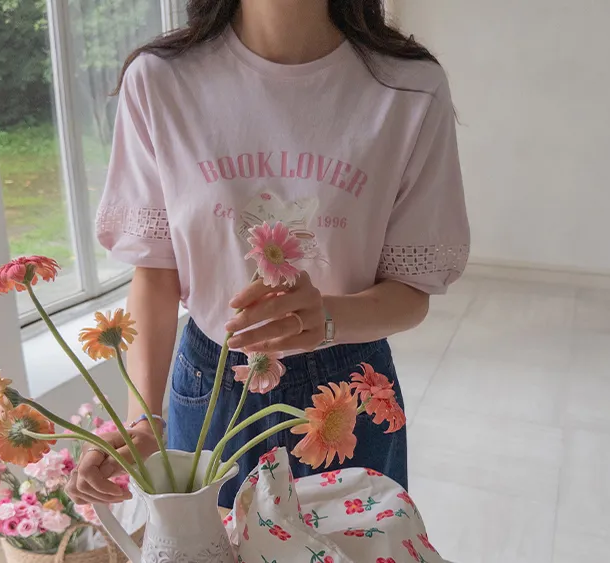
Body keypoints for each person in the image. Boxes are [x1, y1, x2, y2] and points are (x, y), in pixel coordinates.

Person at [66, 0, 469, 508]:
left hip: (349, 385)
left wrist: (327, 317)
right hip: (209, 385)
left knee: (351, 543)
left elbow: (412, 291)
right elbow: (155, 270)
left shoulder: (409, 89)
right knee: (213, 543)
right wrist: (143, 419)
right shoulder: (160, 81)